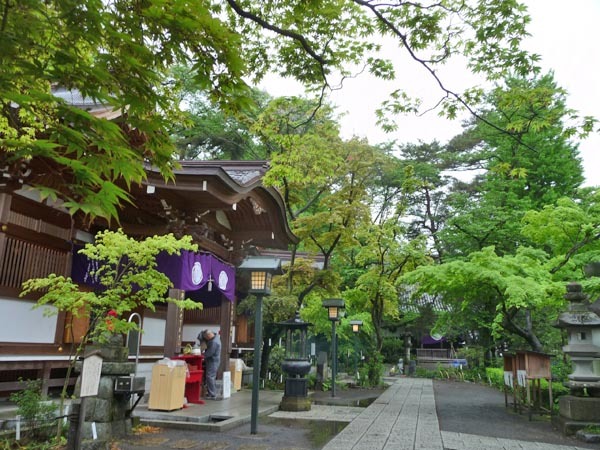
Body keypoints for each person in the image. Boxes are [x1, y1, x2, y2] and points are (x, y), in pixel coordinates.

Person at [200, 329, 221, 399]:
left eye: (206, 337)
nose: (206, 339)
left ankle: (212, 394)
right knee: (212, 377)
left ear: (209, 335)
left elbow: (210, 353)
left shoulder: (214, 342)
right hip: (214, 360)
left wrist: (202, 356)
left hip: (213, 361)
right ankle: (212, 392)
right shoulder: (215, 337)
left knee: (210, 376)